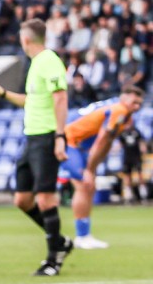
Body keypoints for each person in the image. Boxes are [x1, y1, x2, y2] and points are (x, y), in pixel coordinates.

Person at [0, 19, 72, 276]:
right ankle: (61, 242)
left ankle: (52, 260)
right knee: (23, 200)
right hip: (31, 138)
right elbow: (29, 100)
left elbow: (61, 97)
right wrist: (1, 93)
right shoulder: (34, 65)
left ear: (26, 39)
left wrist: (59, 136)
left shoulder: (49, 60)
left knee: (45, 197)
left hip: (46, 136)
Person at [62, 87, 144, 249]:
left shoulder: (116, 108)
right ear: (124, 98)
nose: (136, 107)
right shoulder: (119, 110)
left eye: (139, 104)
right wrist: (89, 170)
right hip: (69, 142)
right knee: (84, 185)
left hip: (79, 146)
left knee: (89, 186)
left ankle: (85, 235)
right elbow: (101, 141)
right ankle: (81, 236)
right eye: (134, 102)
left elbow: (107, 143)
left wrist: (92, 168)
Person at [117, 121, 147, 203]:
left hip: (136, 157)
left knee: (140, 175)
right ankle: (128, 196)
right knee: (127, 176)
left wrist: (143, 148)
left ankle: (143, 195)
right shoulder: (122, 133)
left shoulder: (136, 131)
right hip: (127, 157)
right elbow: (120, 144)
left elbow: (141, 142)